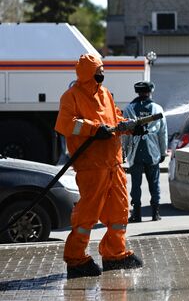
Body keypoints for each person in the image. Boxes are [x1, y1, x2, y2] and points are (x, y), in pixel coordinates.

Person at [55, 53, 143, 279]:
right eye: (98, 71)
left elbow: (114, 120)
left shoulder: (105, 94)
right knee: (87, 215)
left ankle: (115, 254)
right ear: (87, 73)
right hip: (91, 166)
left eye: (102, 70)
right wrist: (94, 129)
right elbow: (66, 124)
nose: (102, 74)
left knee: (120, 211)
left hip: (113, 163)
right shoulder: (71, 96)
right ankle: (76, 259)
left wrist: (131, 127)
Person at [122, 81, 168, 223]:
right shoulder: (157, 108)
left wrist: (124, 152)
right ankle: (155, 214)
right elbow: (163, 133)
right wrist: (163, 152)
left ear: (137, 91)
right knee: (154, 183)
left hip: (135, 153)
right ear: (150, 91)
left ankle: (137, 214)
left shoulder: (129, 108)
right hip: (152, 153)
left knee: (135, 184)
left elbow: (125, 133)